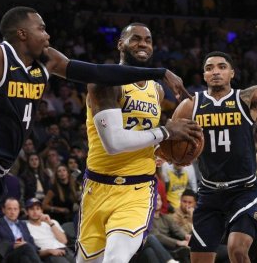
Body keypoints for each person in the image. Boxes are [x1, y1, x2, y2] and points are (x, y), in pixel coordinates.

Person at [0, 3, 191, 262]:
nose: (47, 34)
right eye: (41, 28)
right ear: (22, 34)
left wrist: (160, 72)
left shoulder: (48, 61)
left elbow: (96, 72)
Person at [174, 5, 257, 263]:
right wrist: (166, 155)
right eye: (210, 68)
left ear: (232, 73)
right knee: (198, 258)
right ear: (204, 74)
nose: (215, 71)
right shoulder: (191, 105)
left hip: (243, 190)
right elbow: (170, 138)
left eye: (222, 66)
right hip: (209, 192)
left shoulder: (247, 98)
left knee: (237, 250)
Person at [76, 23, 202, 262]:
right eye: (135, 39)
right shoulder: (104, 82)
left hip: (138, 189)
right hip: (96, 187)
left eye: (148, 40)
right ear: (120, 44)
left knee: (115, 259)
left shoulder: (157, 90)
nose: (143, 44)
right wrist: (166, 133)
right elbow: (114, 143)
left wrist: (166, 152)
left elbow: (145, 134)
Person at [25, 197, 74, 263]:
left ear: (41, 211)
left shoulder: (52, 222)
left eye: (37, 209)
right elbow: (32, 251)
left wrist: (50, 223)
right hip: (49, 254)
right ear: (27, 212)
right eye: (31, 209)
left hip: (65, 250)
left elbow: (64, 241)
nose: (35, 212)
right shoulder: (25, 227)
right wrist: (50, 251)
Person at [0, 197, 41, 263]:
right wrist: (13, 245)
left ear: (19, 210)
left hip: (23, 254)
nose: (12, 212)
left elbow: (31, 242)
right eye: (9, 209)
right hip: (8, 256)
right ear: (3, 210)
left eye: (15, 209)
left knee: (25, 258)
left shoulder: (23, 224)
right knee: (26, 246)